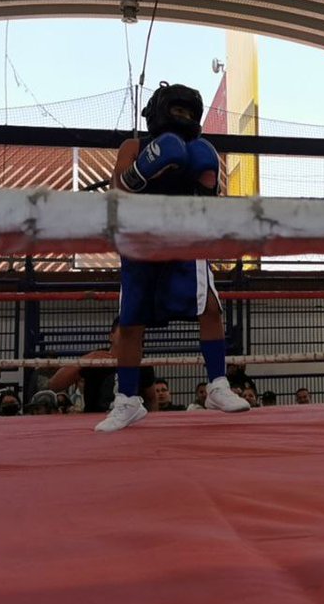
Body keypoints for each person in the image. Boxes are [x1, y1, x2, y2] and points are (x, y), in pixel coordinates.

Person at [97, 82, 250, 432]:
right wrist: (145, 169)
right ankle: (127, 401)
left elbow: (210, 201)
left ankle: (217, 386)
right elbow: (116, 190)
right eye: (176, 110)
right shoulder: (133, 146)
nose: (181, 117)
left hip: (184, 237)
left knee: (209, 307)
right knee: (131, 321)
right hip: (140, 240)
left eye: (187, 112)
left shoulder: (200, 150)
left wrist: (206, 180)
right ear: (160, 111)